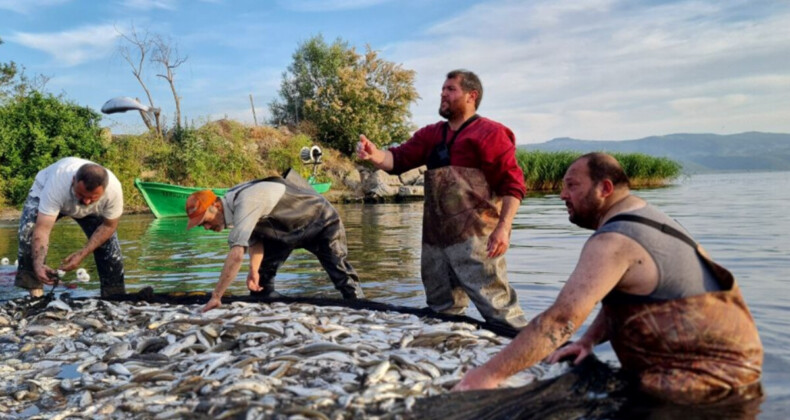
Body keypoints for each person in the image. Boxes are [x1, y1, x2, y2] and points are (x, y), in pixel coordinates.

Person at [453, 153, 763, 404]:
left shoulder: (612, 241)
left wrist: (486, 376)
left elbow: (559, 322)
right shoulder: (652, 218)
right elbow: (631, 296)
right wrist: (588, 340)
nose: (562, 195)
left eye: (572, 185)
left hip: (707, 385)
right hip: (737, 372)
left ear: (605, 188)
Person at [357, 69, 527, 329]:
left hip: (476, 239)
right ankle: (448, 355)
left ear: (472, 96)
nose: (443, 94)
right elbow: (396, 160)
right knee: (442, 311)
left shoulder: (490, 133)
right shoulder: (431, 134)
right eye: (442, 90)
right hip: (435, 241)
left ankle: (526, 353)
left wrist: (503, 229)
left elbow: (513, 185)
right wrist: (374, 154)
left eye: (450, 90)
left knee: (499, 309)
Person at [186, 169, 364, 313]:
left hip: (321, 222)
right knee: (260, 284)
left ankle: (360, 304)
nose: (207, 227)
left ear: (216, 206)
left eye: (205, 222)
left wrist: (217, 296)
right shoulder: (233, 204)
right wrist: (253, 270)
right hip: (283, 231)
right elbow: (255, 238)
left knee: (340, 274)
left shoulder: (246, 200)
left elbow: (237, 254)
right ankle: (272, 308)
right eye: (202, 226)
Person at [15, 157, 126, 298]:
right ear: (73, 180)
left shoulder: (114, 191)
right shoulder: (57, 184)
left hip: (93, 210)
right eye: (81, 194)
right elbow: (42, 229)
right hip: (49, 196)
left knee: (109, 247)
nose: (86, 201)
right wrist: (37, 264)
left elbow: (108, 227)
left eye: (93, 197)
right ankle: (36, 293)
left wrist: (82, 254)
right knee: (28, 234)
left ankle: (114, 296)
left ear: (103, 191)